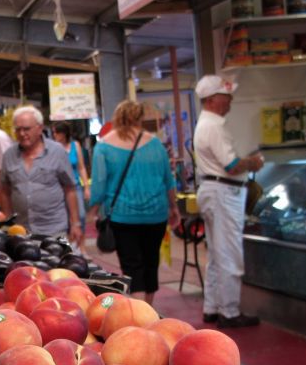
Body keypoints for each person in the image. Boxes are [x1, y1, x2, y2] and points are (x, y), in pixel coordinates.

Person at [86, 100, 179, 306]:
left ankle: (140, 313)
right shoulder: (155, 145)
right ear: (140, 118)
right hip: (156, 214)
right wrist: (174, 207)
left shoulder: (104, 147)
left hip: (122, 216)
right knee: (150, 263)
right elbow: (168, 180)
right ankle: (149, 308)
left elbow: (99, 185)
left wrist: (92, 212)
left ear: (117, 118)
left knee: (132, 265)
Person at [192, 74, 263, 328]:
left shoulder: (205, 124)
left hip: (214, 191)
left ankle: (212, 306)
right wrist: (253, 162)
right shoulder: (214, 126)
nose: (230, 100)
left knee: (215, 252)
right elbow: (232, 165)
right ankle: (230, 310)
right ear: (212, 100)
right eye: (225, 95)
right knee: (230, 252)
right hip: (224, 193)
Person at [0, 105, 82, 247]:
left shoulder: (57, 152)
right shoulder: (9, 155)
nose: (22, 133)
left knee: (56, 267)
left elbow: (70, 189)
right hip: (21, 232)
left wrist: (76, 223)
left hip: (54, 230)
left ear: (39, 128)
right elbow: (4, 190)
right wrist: (7, 220)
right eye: (18, 129)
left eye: (26, 129)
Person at [51, 121, 90, 233]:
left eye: (56, 133)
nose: (54, 135)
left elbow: (81, 167)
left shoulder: (75, 145)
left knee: (81, 215)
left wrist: (86, 187)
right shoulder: (53, 148)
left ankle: (80, 240)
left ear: (63, 133)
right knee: (64, 217)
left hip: (75, 184)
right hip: (59, 186)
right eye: (53, 133)